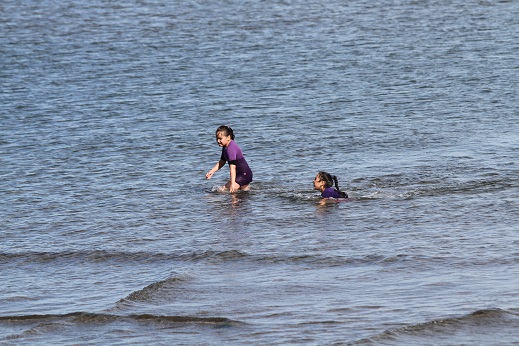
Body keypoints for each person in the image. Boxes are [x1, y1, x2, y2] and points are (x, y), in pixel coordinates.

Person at [206, 125, 253, 192]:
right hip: (244, 174)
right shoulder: (225, 147)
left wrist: (232, 183)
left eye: (220, 139)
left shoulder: (231, 148)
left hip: (243, 175)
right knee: (242, 196)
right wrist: (212, 171)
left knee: (222, 190)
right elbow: (222, 161)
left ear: (228, 137)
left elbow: (232, 167)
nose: (218, 141)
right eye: (217, 139)